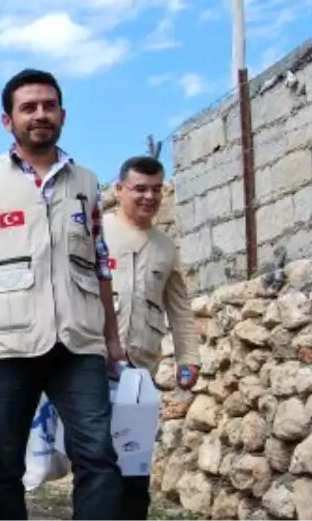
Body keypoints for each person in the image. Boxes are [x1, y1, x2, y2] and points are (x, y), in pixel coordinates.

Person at [0, 68, 125, 521]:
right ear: (8, 120)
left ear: (62, 114)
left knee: (98, 456)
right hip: (6, 342)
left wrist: (112, 338)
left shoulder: (85, 182)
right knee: (3, 464)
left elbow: (99, 262)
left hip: (78, 343)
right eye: (28, 108)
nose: (39, 115)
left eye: (48, 106)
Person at [104, 155, 199, 519]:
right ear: (120, 190)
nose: (149, 197)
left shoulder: (166, 247)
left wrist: (188, 357)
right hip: (91, 365)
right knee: (97, 465)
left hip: (140, 371)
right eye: (139, 188)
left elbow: (179, 308)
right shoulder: (98, 233)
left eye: (156, 189)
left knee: (134, 465)